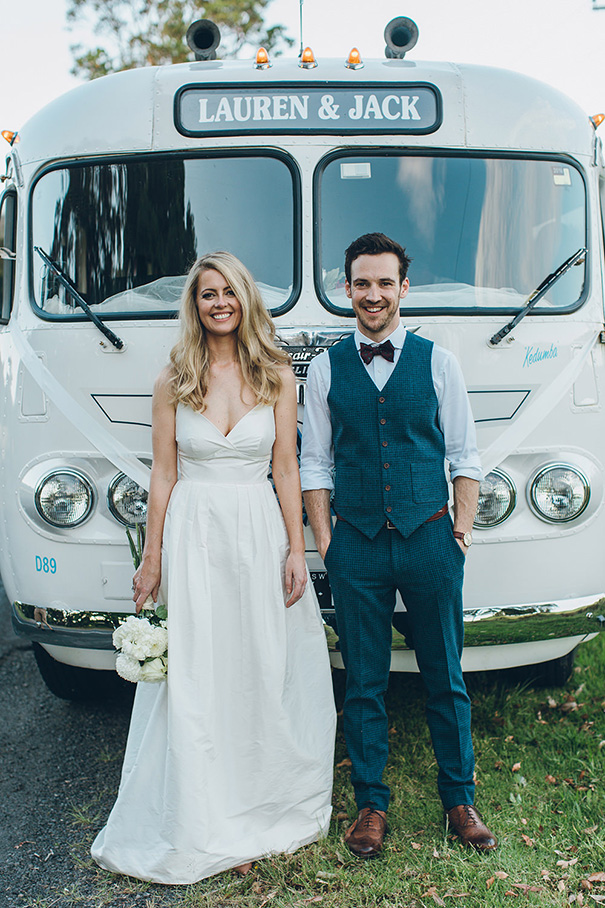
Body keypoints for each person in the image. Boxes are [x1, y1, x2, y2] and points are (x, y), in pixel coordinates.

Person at [91, 252, 336, 884]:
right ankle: (206, 811)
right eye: (207, 294)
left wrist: (296, 549)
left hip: (257, 529)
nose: (219, 302)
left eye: (229, 291)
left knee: (259, 663)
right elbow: (163, 473)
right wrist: (151, 556)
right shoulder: (173, 379)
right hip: (195, 535)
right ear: (195, 305)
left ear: (245, 299)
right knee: (202, 671)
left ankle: (260, 802)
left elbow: (286, 467)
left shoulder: (276, 374)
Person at [300, 232, 497, 858]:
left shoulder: (439, 362)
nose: (373, 294)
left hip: (430, 538)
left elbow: (465, 454)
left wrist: (460, 531)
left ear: (403, 288)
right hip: (356, 545)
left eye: (385, 282)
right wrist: (327, 540)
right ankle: (371, 804)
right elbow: (315, 463)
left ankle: (460, 800)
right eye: (362, 283)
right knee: (364, 680)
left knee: (446, 675)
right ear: (347, 289)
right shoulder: (326, 367)